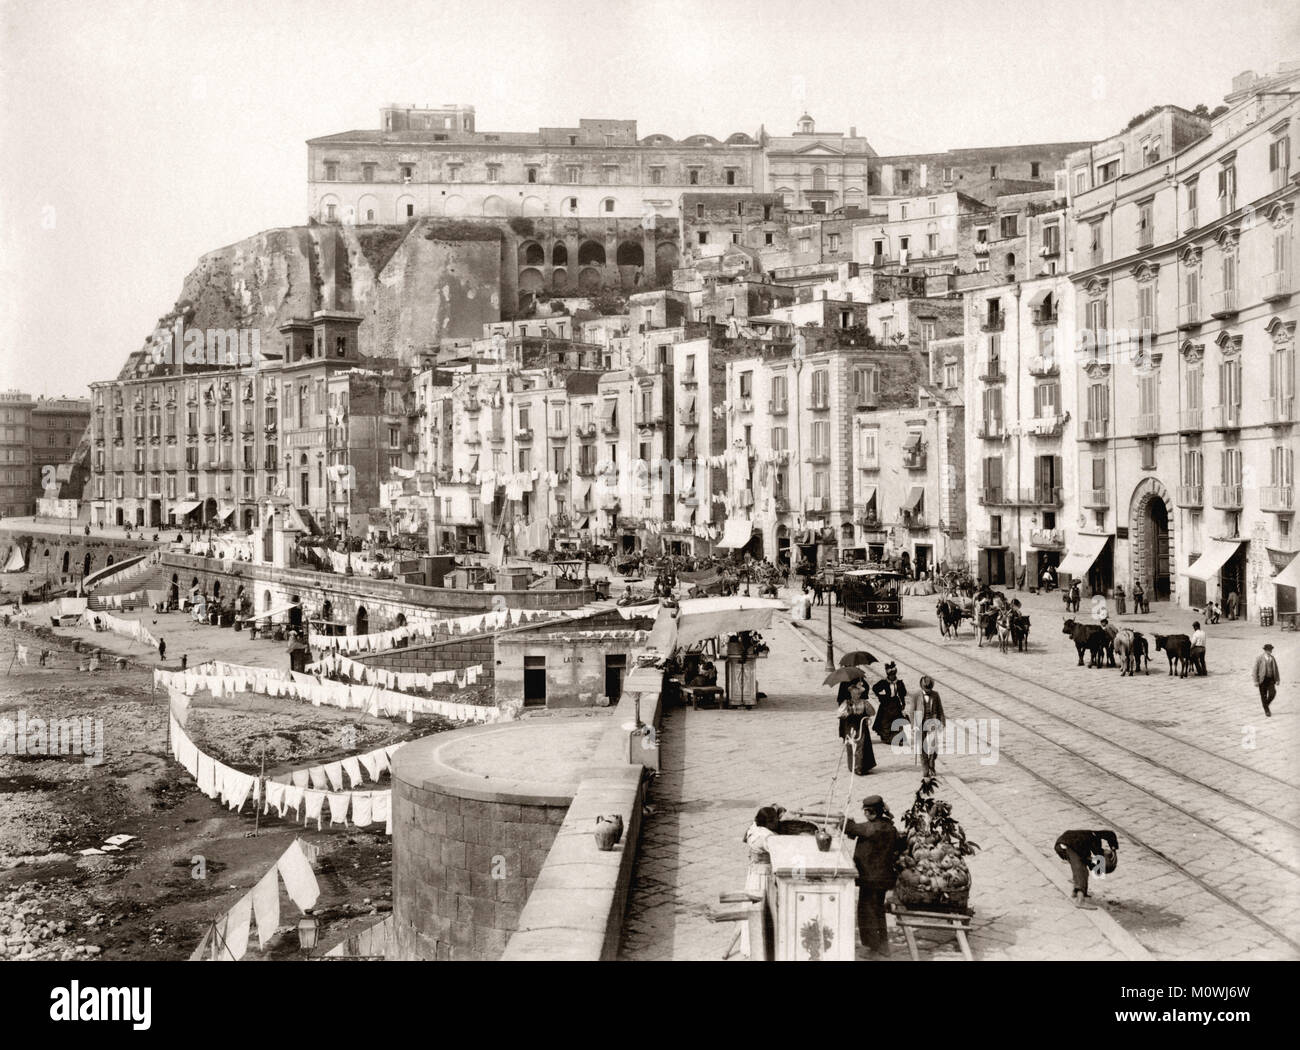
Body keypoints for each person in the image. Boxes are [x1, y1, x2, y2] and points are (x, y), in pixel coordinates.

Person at [842, 795, 899, 956]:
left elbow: (851, 828)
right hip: (883, 877)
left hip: (870, 878)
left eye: (866, 811)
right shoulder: (889, 827)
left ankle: (872, 947)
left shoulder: (873, 828)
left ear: (869, 812)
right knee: (878, 911)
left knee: (867, 912)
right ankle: (883, 945)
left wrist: (844, 820)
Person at [739, 806, 782, 958]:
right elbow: (780, 852)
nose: (778, 823)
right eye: (775, 821)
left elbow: (745, 837)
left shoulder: (754, 827)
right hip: (764, 877)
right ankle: (768, 947)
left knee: (751, 907)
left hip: (753, 875)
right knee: (768, 909)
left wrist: (775, 812)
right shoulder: (767, 837)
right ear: (769, 822)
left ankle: (750, 945)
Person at [1054, 829, 1119, 908]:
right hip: (1069, 844)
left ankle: (1076, 892)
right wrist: (1113, 851)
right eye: (1107, 851)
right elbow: (1110, 834)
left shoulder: (1093, 836)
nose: (1107, 850)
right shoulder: (1095, 841)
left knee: (1080, 867)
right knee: (1081, 871)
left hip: (1065, 843)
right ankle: (1080, 901)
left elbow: (1110, 834)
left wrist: (1113, 849)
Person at [837, 678, 876, 775]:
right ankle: (853, 765)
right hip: (850, 725)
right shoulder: (847, 703)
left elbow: (872, 712)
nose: (857, 696)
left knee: (861, 744)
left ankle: (861, 766)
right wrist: (846, 713)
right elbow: (839, 714)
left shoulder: (864, 702)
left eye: (858, 694)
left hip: (861, 725)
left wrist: (867, 715)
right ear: (851, 694)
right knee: (851, 745)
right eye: (855, 694)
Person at [909, 675, 946, 776]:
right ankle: (925, 769)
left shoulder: (936, 695)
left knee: (933, 747)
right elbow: (912, 712)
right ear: (922, 687)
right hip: (920, 724)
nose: (928, 691)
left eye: (929, 688)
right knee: (922, 748)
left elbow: (940, 710)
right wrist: (913, 725)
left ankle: (931, 763)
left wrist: (942, 723)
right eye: (926, 688)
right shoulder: (916, 695)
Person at [1253, 643, 1280, 717]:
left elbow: (1276, 669)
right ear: (1265, 650)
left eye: (1271, 650)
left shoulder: (1272, 658)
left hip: (1271, 679)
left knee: (1273, 693)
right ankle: (1267, 711)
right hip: (1262, 679)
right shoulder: (1259, 658)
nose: (1270, 651)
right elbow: (1255, 670)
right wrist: (1255, 681)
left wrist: (1277, 679)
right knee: (1263, 695)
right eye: (1268, 650)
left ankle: (1265, 705)